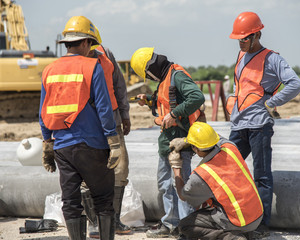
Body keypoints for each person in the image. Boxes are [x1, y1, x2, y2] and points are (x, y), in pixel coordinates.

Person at [39, 16, 121, 240]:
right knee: (104, 200)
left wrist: (48, 142)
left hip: (63, 148)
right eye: (91, 44)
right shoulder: (91, 66)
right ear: (85, 42)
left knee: (71, 202)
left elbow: (43, 111)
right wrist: (113, 140)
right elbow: (104, 107)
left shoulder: (49, 70)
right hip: (92, 144)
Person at [226, 12, 300, 231]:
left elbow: (295, 84)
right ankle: (235, 215)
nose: (240, 43)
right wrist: (233, 104)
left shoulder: (272, 59)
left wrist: (272, 102)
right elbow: (240, 86)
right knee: (229, 168)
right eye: (238, 39)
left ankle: (261, 225)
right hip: (239, 125)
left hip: (259, 125)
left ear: (256, 35)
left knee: (261, 175)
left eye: (244, 38)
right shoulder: (241, 56)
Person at [130, 47, 205, 238]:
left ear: (150, 69)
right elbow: (166, 102)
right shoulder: (165, 78)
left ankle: (186, 227)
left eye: (148, 75)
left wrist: (174, 114)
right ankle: (171, 224)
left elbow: (197, 97)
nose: (150, 79)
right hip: (166, 141)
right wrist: (148, 100)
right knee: (165, 185)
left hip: (180, 141)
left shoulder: (176, 76)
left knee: (181, 186)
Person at [169, 122, 263, 240]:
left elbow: (183, 195)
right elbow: (214, 137)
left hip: (238, 221)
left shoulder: (202, 174)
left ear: (195, 148)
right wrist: (187, 140)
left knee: (185, 225)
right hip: (256, 215)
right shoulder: (230, 147)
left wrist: (176, 167)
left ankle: (229, 237)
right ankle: (246, 233)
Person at [82, 44, 132, 238]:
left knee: (120, 170)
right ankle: (94, 223)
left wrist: (125, 114)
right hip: (88, 127)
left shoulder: (106, 53)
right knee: (89, 176)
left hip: (113, 122)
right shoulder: (75, 62)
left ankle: (114, 220)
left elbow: (119, 84)